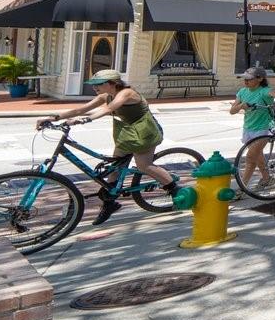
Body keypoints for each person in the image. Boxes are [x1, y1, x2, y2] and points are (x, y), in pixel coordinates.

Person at [39, 69, 177, 224]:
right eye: (93, 84)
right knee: (114, 167)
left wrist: (84, 121)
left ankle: (175, 190)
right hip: (128, 133)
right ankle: (110, 204)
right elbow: (80, 109)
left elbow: (108, 109)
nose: (94, 87)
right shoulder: (105, 96)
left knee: (144, 165)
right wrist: (53, 118)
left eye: (99, 84)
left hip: (145, 133)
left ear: (113, 83)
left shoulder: (126, 93)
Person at [230, 66, 275, 192]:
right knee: (257, 156)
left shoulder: (264, 91)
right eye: (244, 79)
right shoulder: (242, 92)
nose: (245, 81)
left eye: (249, 79)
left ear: (260, 79)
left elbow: (273, 93)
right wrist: (241, 106)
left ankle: (242, 188)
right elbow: (232, 111)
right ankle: (267, 178)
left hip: (264, 128)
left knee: (250, 158)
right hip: (248, 128)